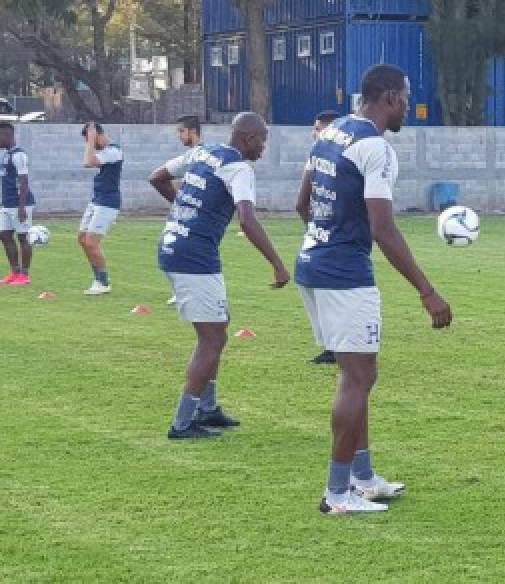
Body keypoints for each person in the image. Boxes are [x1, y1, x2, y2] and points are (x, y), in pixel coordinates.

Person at [296, 64, 452, 514]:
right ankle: (336, 494)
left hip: (314, 263)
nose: (408, 105)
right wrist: (427, 290)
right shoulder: (373, 147)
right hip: (344, 273)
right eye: (405, 96)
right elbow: (383, 228)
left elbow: (302, 204)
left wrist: (326, 239)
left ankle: (362, 478)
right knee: (358, 378)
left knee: (361, 375)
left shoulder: (331, 133)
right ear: (388, 97)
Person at [150, 112, 291, 440]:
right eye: (263, 141)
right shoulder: (239, 168)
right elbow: (247, 220)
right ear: (248, 138)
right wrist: (278, 264)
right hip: (194, 255)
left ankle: (208, 408)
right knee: (211, 339)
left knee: (219, 326)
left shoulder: (204, 152)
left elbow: (157, 176)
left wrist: (184, 210)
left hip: (173, 246)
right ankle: (183, 423)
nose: (264, 148)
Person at [296, 109, 344, 366]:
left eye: (319, 128)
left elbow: (300, 203)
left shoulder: (342, 156)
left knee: (329, 290)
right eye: (314, 129)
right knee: (311, 285)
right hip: (320, 232)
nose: (314, 133)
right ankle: (331, 345)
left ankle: (338, 346)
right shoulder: (317, 154)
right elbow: (301, 204)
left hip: (337, 234)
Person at [149, 115, 206, 306]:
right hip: (184, 214)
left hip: (202, 217)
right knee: (166, 246)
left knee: (189, 251)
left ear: (192, 131)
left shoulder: (204, 155)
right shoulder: (188, 157)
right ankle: (182, 291)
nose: (179, 136)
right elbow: (155, 177)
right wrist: (179, 203)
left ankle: (196, 292)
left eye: (181, 131)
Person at [79, 122, 123, 295]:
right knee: (82, 239)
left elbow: (88, 162)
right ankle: (97, 277)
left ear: (97, 135)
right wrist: (90, 140)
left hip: (108, 203)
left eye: (88, 140)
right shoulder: (105, 152)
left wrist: (91, 139)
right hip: (97, 201)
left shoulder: (114, 151)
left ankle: (103, 282)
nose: (88, 145)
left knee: (91, 242)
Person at [0, 122, 35, 286]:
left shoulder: (19, 155)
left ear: (7, 135)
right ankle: (14, 272)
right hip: (6, 204)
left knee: (22, 237)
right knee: (5, 235)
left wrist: (22, 208)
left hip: (20, 204)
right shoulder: (5, 154)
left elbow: (24, 182)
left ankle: (25, 275)